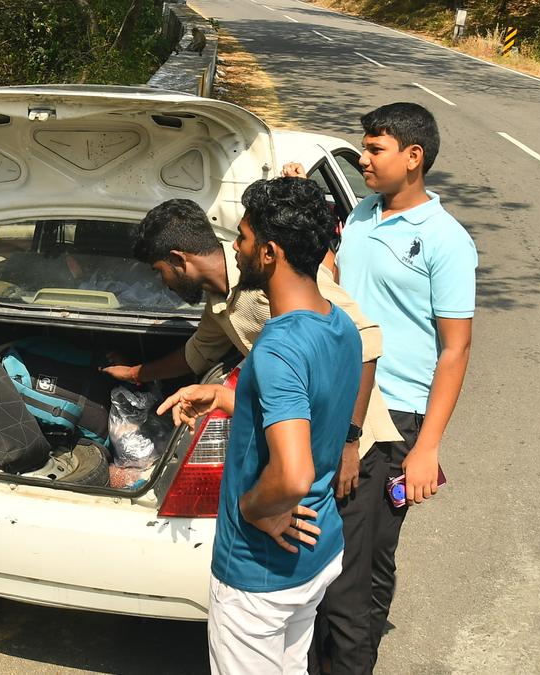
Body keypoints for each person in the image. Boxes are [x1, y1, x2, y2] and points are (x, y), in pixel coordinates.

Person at [157, 177, 363, 673]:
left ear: (269, 253)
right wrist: (226, 396)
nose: (235, 247)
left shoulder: (277, 348)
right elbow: (307, 413)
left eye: (244, 238)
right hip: (315, 552)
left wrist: (254, 511)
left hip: (258, 570)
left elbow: (292, 475)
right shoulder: (340, 326)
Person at [335, 102, 476, 669]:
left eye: (375, 150)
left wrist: (427, 448)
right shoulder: (362, 214)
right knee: (362, 553)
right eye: (365, 148)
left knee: (354, 560)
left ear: (413, 158)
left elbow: (456, 349)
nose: (364, 159)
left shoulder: (445, 240)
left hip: (394, 419)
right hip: (347, 402)